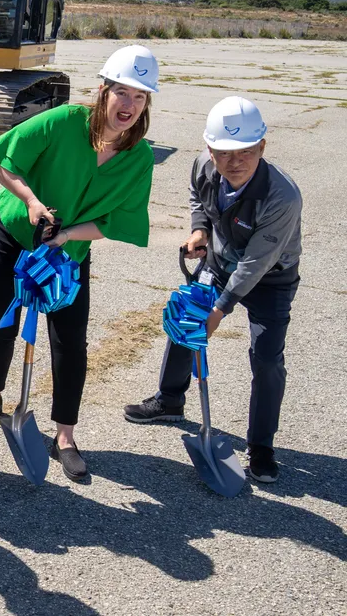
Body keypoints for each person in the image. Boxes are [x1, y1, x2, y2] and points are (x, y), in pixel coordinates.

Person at [0, 44, 161, 481]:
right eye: (122, 93)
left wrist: (69, 235)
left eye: (139, 97)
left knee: (70, 340)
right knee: (1, 323)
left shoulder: (139, 157)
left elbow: (115, 222)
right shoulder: (64, 121)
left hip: (66, 251)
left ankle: (65, 435)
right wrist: (32, 201)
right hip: (14, 231)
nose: (128, 105)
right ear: (103, 91)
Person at [125, 96, 301, 483]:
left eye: (245, 152)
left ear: (262, 148)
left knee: (267, 357)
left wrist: (219, 310)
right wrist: (199, 229)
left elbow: (256, 263)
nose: (234, 162)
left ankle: (261, 446)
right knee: (186, 322)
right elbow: (198, 199)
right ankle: (170, 398)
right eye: (223, 152)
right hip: (220, 263)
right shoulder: (204, 167)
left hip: (270, 277)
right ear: (210, 148)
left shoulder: (282, 196)